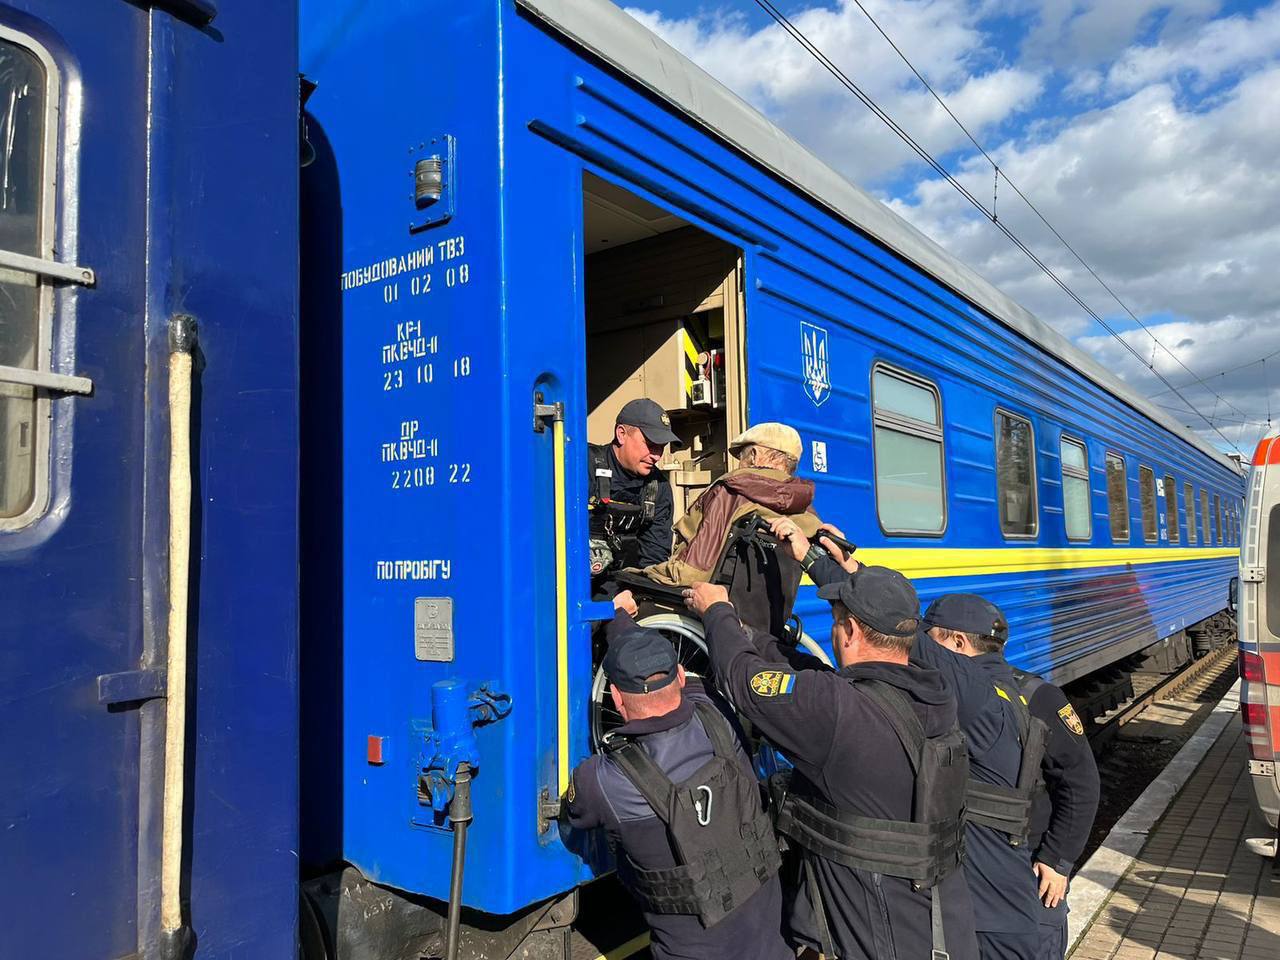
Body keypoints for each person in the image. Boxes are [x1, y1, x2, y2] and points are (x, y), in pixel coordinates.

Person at [684, 567, 979, 960]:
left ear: (852, 630)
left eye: (837, 622)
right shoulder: (934, 694)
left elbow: (743, 680)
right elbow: (823, 680)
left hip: (882, 943)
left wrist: (717, 611)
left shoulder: (837, 710)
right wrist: (751, 635)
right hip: (940, 929)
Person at [561, 613, 791, 960]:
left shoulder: (602, 781)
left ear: (617, 699)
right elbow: (696, 683)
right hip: (775, 947)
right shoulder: (718, 712)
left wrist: (612, 616)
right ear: (681, 676)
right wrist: (624, 620)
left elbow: (570, 815)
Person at [916, 594, 1047, 960]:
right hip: (1007, 906)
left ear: (958, 643)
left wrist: (834, 572)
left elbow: (902, 634)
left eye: (935, 638)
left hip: (990, 920)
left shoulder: (977, 694)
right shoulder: (1007, 689)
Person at [641, 423, 820, 635]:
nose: (739, 464)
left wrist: (647, 573)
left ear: (754, 455)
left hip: (722, 615)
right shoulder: (805, 507)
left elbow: (694, 570)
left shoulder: (731, 492)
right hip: (769, 623)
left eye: (742, 457)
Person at [1011, 666, 1100, 960]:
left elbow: (1080, 781)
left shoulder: (1037, 696)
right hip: (982, 865)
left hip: (1034, 862)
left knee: (1038, 942)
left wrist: (1057, 859)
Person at [588, 398, 680, 591]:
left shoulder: (658, 487)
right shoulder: (584, 467)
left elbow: (653, 560)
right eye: (651, 443)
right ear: (621, 434)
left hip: (630, 590)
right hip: (578, 591)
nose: (656, 455)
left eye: (661, 446)